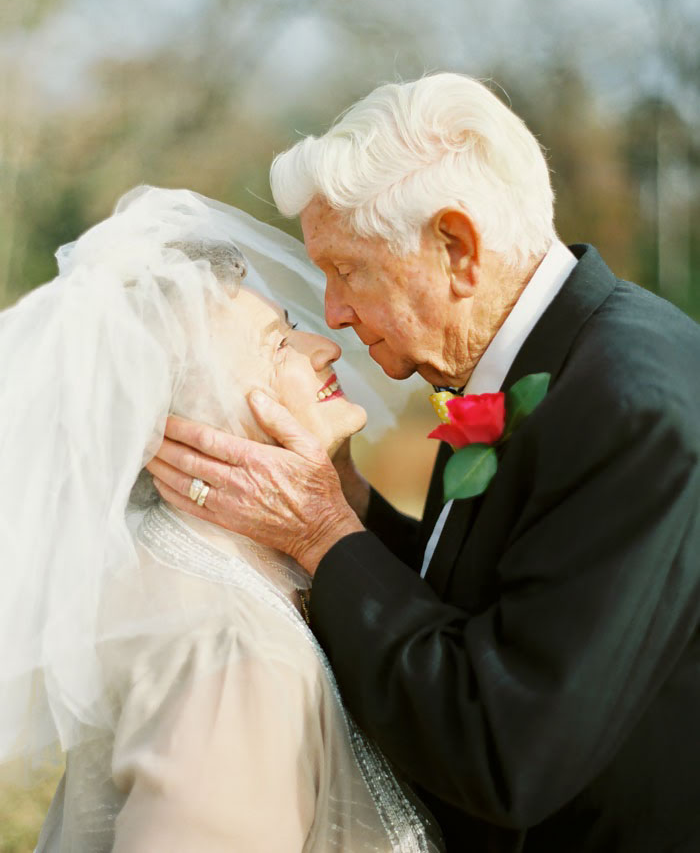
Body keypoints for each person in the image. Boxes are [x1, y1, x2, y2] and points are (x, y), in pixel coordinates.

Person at [150, 74, 700, 852]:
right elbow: (489, 598)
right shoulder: (539, 365)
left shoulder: (632, 408)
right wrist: (357, 506)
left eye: (347, 269)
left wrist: (322, 534)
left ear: (457, 249)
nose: (333, 314)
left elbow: (508, 751)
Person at [0, 186, 443, 852]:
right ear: (199, 412)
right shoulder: (231, 648)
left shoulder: (195, 570)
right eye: (278, 344)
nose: (322, 347)